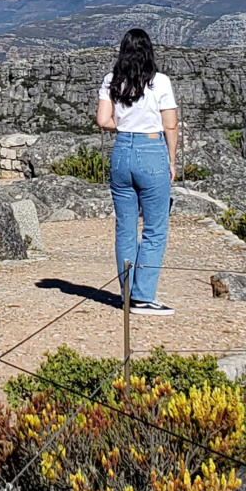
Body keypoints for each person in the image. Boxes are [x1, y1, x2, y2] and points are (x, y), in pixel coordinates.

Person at [96, 27, 177, 316]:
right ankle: (143, 296)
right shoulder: (161, 82)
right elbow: (170, 125)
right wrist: (171, 160)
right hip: (151, 149)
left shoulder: (111, 81)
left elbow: (103, 120)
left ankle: (127, 294)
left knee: (125, 228)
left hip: (121, 152)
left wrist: (127, 126)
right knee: (155, 229)